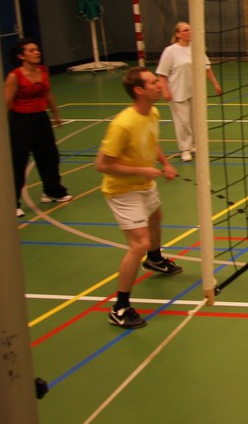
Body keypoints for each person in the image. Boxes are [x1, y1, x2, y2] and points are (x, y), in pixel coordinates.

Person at [95, 67, 183, 329]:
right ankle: (120, 308)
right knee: (138, 244)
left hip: (145, 183)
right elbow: (102, 165)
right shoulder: (122, 124)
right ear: (139, 90)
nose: (159, 84)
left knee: (156, 217)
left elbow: (151, 141)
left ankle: (154, 260)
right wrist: (141, 170)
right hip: (122, 190)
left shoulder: (152, 112)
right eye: (153, 82)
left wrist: (165, 163)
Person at [5, 39, 70, 217]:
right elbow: (7, 102)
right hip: (20, 122)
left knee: (49, 156)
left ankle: (52, 191)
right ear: (21, 56)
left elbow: (48, 93)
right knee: (18, 162)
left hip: (41, 119)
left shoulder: (43, 71)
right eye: (31, 50)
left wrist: (55, 114)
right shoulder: (14, 76)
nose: (36, 52)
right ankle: (13, 203)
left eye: (37, 49)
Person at [155, 22, 222, 162]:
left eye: (190, 30)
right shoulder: (170, 51)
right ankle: (185, 149)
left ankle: (194, 145)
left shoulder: (196, 48)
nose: (189, 32)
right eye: (185, 30)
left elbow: (207, 67)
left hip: (195, 91)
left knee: (196, 120)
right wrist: (165, 90)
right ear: (178, 34)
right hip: (177, 91)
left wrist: (215, 84)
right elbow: (161, 74)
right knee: (183, 122)